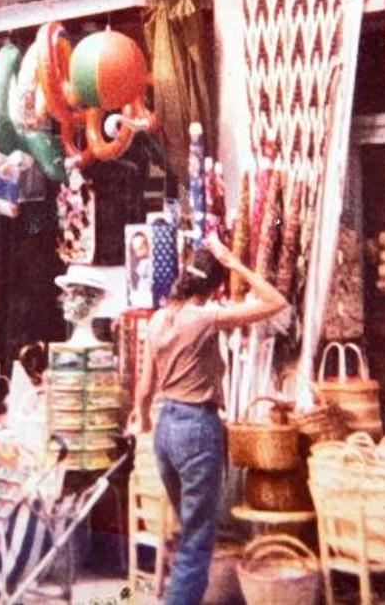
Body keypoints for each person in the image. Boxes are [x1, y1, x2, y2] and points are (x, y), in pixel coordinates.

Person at [131, 235, 290, 605]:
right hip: (196, 428)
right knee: (198, 538)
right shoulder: (204, 319)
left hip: (165, 428)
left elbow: (144, 387)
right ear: (215, 285)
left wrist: (142, 418)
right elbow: (275, 301)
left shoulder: (158, 320)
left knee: (189, 530)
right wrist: (235, 263)